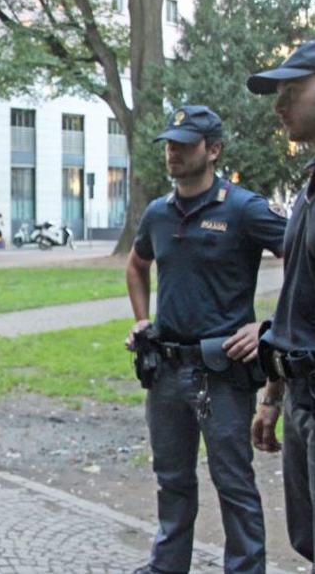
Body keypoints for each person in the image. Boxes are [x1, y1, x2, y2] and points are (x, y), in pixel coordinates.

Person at [125, 105, 286, 574]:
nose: (172, 152)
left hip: (222, 373)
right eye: (169, 144)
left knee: (233, 483)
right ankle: (167, 567)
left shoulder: (244, 208)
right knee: (171, 479)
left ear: (213, 150)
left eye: (184, 144)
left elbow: (304, 259)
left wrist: (271, 327)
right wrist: (141, 320)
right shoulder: (158, 212)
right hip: (165, 370)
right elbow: (136, 264)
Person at [248, 39, 315, 570]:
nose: (279, 106)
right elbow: (296, 295)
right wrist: (273, 394)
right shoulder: (308, 188)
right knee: (307, 539)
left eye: (291, 90)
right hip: (300, 396)